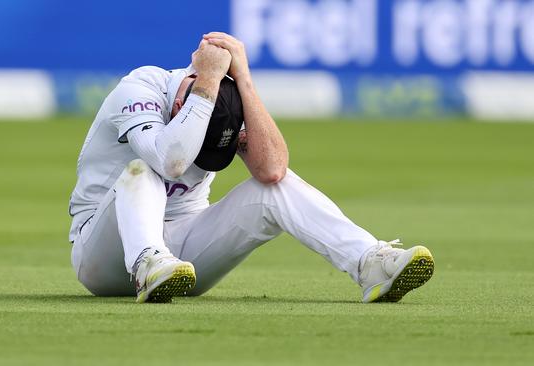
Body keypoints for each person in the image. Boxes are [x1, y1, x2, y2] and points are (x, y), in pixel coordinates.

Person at [68, 32, 434, 303]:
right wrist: (208, 78)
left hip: (182, 259)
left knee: (271, 188)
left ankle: (369, 263)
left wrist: (243, 80)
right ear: (178, 105)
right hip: (103, 251)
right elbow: (171, 161)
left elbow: (273, 170)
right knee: (142, 168)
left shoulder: (230, 101)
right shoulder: (140, 87)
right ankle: (148, 262)